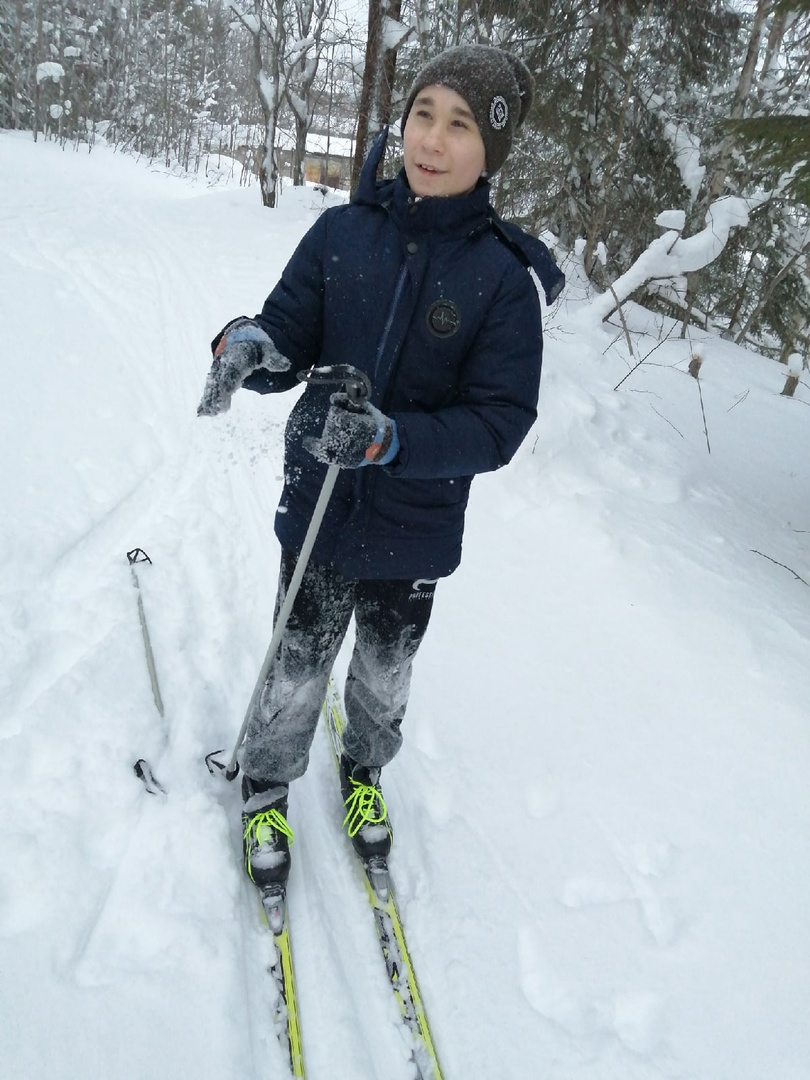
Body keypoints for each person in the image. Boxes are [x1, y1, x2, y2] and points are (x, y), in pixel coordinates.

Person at [197, 44, 564, 894]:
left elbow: (500, 421)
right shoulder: (342, 233)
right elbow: (291, 332)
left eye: (460, 123)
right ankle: (266, 778)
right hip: (322, 507)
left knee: (385, 671)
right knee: (297, 658)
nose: (431, 139)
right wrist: (252, 345)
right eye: (422, 113)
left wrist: (393, 441)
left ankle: (364, 771)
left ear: (490, 152)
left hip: (415, 530)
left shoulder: (501, 283)